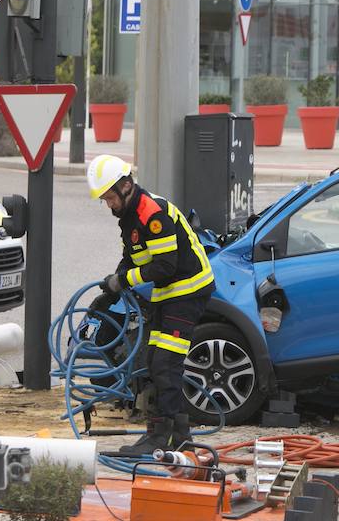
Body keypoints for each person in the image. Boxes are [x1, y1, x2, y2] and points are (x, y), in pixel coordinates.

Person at [87, 154, 216, 455]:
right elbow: (133, 257)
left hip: (187, 292)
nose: (109, 204)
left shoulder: (152, 213)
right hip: (168, 295)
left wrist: (124, 280)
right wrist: (112, 288)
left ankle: (168, 437)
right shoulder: (130, 216)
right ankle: (170, 435)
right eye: (104, 199)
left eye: (109, 198)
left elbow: (164, 267)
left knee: (165, 363)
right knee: (154, 360)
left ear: (126, 186)